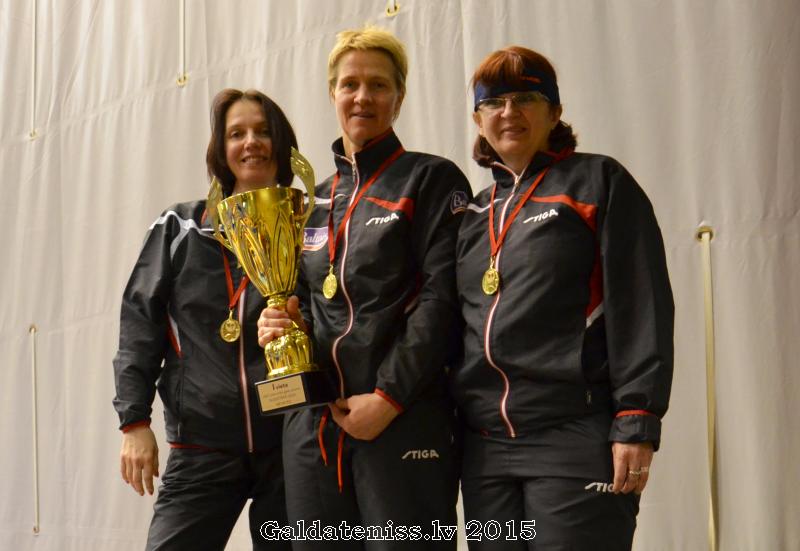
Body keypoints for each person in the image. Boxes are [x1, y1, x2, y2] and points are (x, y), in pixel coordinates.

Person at [451, 46, 674, 550]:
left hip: (573, 434)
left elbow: (642, 305)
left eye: (526, 98)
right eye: (494, 102)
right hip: (486, 451)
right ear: (478, 119)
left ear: (554, 112)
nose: (509, 112)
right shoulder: (473, 214)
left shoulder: (598, 182)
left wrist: (637, 420)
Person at [257, 26, 471, 550]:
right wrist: (281, 323)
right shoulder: (313, 202)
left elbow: (441, 303)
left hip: (401, 419)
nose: (362, 97)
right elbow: (307, 301)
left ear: (399, 97)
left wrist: (389, 397)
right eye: (350, 84)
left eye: (378, 85)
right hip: (315, 426)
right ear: (332, 93)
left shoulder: (431, 179)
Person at [113, 88, 296, 550]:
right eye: (236, 133)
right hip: (202, 447)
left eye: (263, 131)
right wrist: (134, 422)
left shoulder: (307, 224)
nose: (251, 142)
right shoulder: (180, 227)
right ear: (220, 148)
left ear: (281, 141)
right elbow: (139, 325)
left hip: (291, 448)